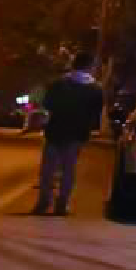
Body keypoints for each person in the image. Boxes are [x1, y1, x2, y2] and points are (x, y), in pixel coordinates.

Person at [34, 52, 105, 216]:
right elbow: (96, 114)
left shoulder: (58, 83)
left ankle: (44, 202)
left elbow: (47, 105)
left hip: (55, 131)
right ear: (90, 67)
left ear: (74, 64)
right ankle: (62, 204)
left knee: (48, 170)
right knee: (68, 170)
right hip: (77, 134)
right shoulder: (95, 89)